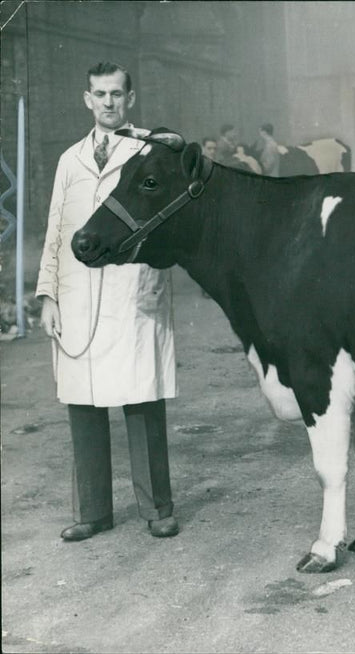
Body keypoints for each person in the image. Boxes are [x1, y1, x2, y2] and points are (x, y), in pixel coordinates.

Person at [36, 62, 179, 541]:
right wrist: (48, 295)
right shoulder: (70, 160)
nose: (108, 102)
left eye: (117, 94)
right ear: (87, 99)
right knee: (83, 403)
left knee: (140, 399)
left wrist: (154, 138)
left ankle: (157, 508)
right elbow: (56, 231)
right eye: (99, 94)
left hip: (131, 291)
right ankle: (93, 512)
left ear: (130, 99)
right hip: (77, 297)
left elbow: (175, 190)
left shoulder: (148, 153)